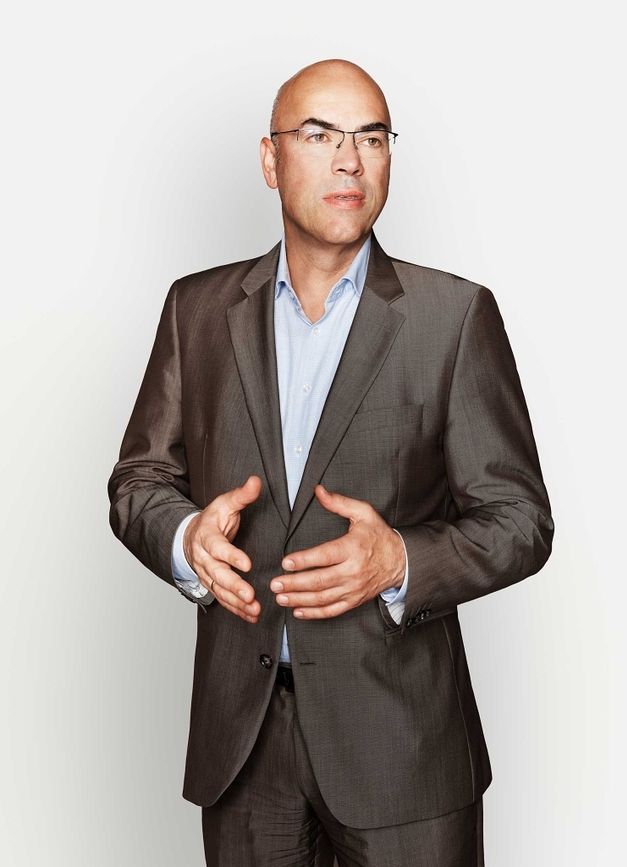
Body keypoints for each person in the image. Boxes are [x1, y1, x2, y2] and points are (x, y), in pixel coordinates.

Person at [108, 58, 553, 866]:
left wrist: (401, 559)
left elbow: (521, 520)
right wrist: (184, 539)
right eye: (320, 135)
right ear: (271, 158)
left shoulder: (454, 317)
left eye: (371, 138)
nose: (350, 159)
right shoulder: (195, 310)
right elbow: (139, 481)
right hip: (244, 749)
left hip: (404, 751)